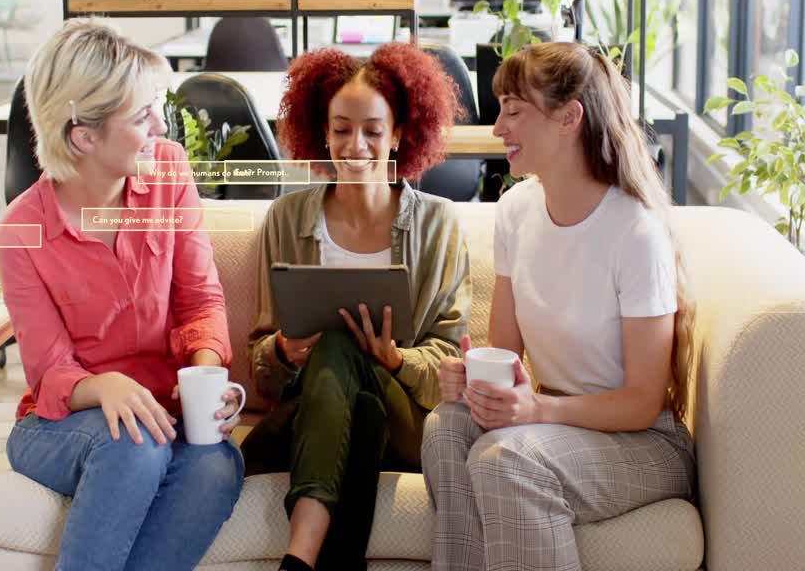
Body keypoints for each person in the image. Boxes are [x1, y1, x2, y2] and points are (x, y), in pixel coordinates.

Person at [421, 42, 697, 571]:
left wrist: (538, 410)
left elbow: (642, 401)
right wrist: (474, 384)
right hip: (557, 422)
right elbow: (506, 354)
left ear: (570, 118)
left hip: (643, 440)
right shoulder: (516, 211)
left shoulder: (635, 233)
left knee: (506, 461)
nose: (498, 127)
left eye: (514, 110)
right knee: (446, 426)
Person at [0, 18, 243, 571]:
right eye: (141, 115)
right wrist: (105, 386)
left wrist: (208, 379)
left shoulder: (169, 171)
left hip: (163, 416)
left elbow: (200, 300)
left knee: (217, 464)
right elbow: (50, 372)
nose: (160, 124)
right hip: (60, 427)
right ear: (84, 135)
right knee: (134, 443)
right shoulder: (21, 231)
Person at [242, 44, 471, 571]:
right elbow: (263, 361)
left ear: (398, 134)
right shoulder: (286, 217)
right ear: (322, 131)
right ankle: (308, 560)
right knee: (356, 408)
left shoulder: (438, 224)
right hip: (331, 415)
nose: (356, 145)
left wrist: (394, 359)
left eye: (373, 129)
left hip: (407, 419)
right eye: (341, 128)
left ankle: (297, 554)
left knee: (345, 344)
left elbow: (448, 367)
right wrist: (283, 351)